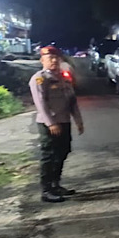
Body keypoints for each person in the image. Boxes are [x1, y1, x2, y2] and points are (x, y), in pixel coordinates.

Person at [29, 45, 84, 203]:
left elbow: (72, 101)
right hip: (49, 125)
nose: (53, 60)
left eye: (56, 58)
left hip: (64, 121)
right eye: (49, 58)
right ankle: (46, 190)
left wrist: (78, 120)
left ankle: (56, 184)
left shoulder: (63, 77)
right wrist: (51, 123)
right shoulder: (39, 79)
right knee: (49, 155)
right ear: (42, 60)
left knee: (63, 152)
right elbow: (41, 104)